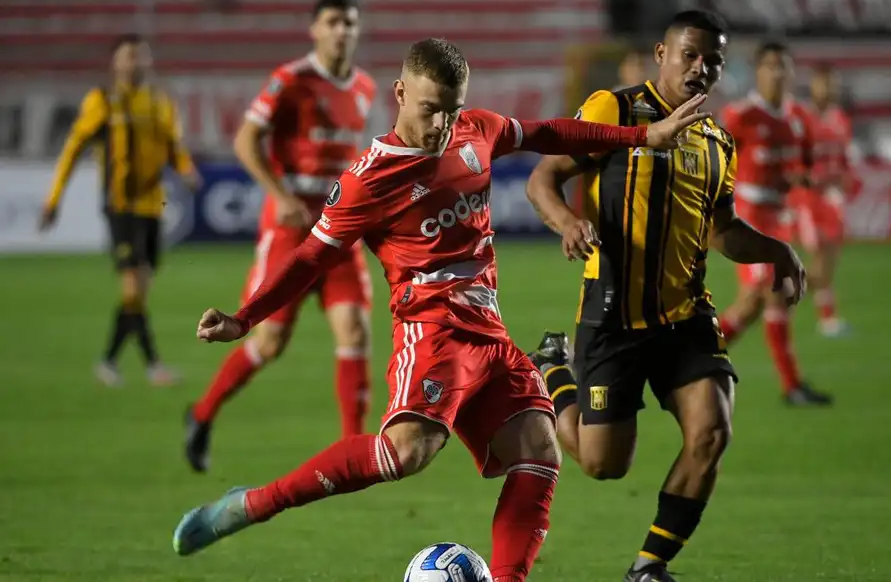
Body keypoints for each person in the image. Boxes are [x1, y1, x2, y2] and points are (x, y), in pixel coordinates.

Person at [170, 37, 709, 582]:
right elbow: (310, 256)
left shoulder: (475, 130)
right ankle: (256, 504)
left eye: (451, 111)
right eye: (430, 110)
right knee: (407, 453)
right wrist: (245, 317)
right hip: (431, 331)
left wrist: (644, 135)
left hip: (489, 333)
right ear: (400, 94)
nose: (442, 125)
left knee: (540, 451)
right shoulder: (368, 179)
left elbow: (546, 132)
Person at [524, 12, 807, 581]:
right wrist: (567, 223)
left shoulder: (717, 141)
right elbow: (543, 179)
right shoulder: (615, 109)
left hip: (685, 315)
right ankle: (554, 369)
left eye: (714, 61)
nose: (701, 69)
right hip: (614, 317)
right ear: (662, 53)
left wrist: (776, 249)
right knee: (605, 465)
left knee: (712, 433)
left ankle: (649, 567)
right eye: (690, 55)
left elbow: (721, 229)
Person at [183, 0, 378, 473]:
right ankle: (202, 414)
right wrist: (281, 194)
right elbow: (245, 140)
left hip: (338, 228)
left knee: (354, 329)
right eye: (333, 22)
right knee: (269, 342)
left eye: (349, 23)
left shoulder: (366, 88)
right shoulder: (291, 80)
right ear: (314, 29)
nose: (342, 31)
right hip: (290, 230)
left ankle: (352, 452)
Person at [39, 34, 201, 388]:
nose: (136, 63)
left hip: (152, 208)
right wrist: (54, 199)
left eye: (141, 57)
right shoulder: (102, 102)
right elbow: (72, 149)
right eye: (129, 57)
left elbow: (174, 147)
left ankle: (110, 361)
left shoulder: (160, 102)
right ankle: (153, 365)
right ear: (115, 63)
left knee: (139, 292)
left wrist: (186, 168)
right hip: (120, 206)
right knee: (132, 289)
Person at [716, 41, 833, 406]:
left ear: (792, 72)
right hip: (747, 213)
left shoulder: (799, 117)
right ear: (757, 72)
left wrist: (804, 179)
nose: (777, 72)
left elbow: (805, 164)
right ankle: (688, 362)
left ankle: (792, 385)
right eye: (769, 65)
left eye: (783, 65)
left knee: (773, 300)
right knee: (756, 296)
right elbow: (716, 162)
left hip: (779, 217)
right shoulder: (741, 115)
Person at [788, 63, 853, 337]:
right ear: (813, 86)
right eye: (822, 83)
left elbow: (843, 158)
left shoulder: (840, 119)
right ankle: (823, 317)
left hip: (832, 199)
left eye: (831, 83)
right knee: (818, 260)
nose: (827, 88)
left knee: (829, 261)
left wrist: (844, 180)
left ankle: (819, 314)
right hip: (809, 199)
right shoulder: (802, 118)